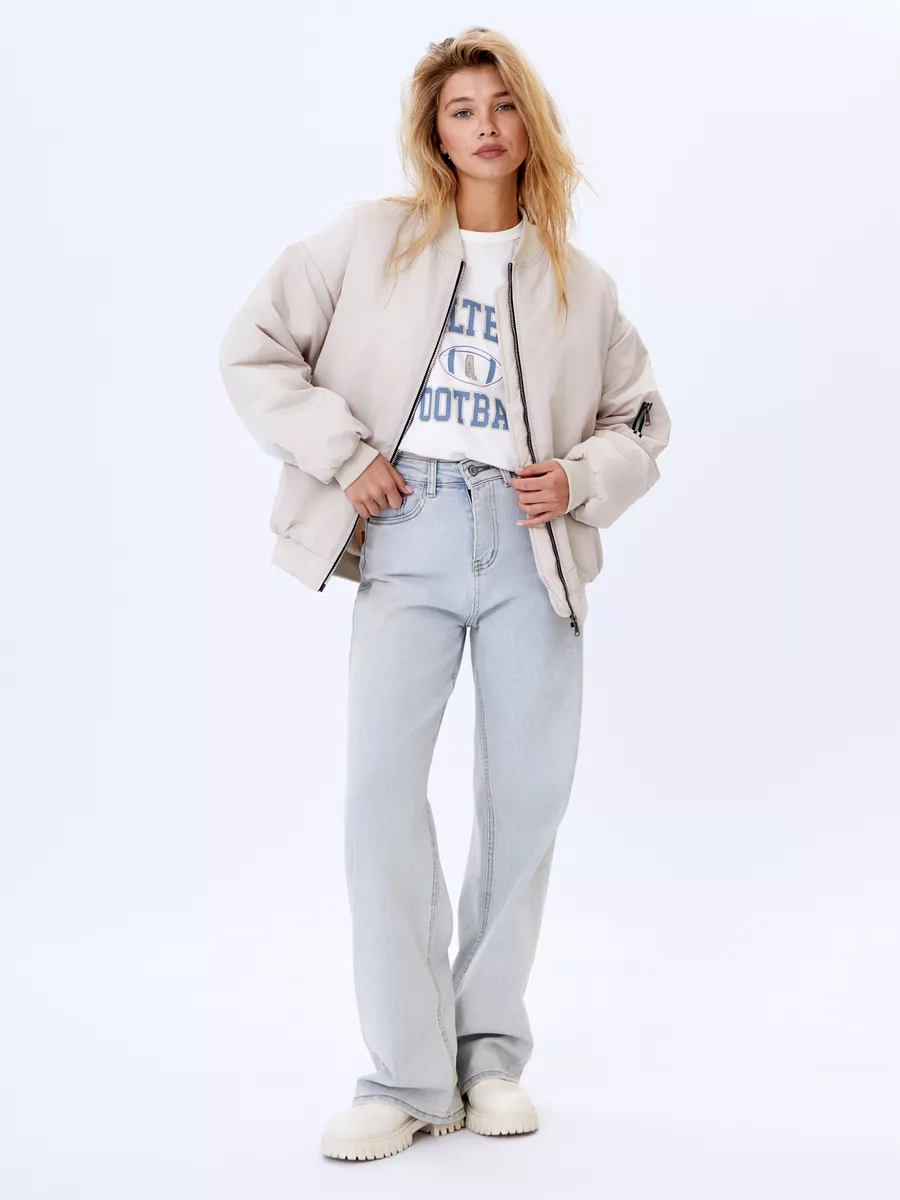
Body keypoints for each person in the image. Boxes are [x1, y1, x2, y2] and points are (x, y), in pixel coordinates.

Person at [218, 26, 671, 1162]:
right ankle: (404, 1075)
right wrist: (343, 453)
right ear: (435, 131)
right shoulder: (369, 240)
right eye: (463, 109)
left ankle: (489, 1057)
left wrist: (580, 478)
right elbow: (254, 348)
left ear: (530, 125)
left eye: (503, 106)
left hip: (529, 545)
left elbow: (641, 420)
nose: (485, 126)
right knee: (378, 801)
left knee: (525, 802)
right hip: (407, 528)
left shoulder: (579, 282)